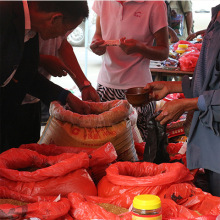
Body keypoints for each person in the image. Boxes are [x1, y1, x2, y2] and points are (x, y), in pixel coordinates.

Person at [144, 4, 220, 197]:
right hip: (213, 144)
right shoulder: (216, 17)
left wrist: (188, 104)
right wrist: (173, 87)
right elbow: (211, 79)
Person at [0, 1, 91, 152]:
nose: (61, 37)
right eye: (65, 31)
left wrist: (66, 97)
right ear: (54, 19)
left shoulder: (32, 29)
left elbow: (25, 74)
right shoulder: (5, 15)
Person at [90, 1, 169, 147]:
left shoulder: (155, 4)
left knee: (139, 149)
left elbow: (164, 51)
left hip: (138, 92)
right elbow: (98, 34)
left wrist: (140, 48)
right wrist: (96, 43)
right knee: (104, 148)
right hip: (105, 87)